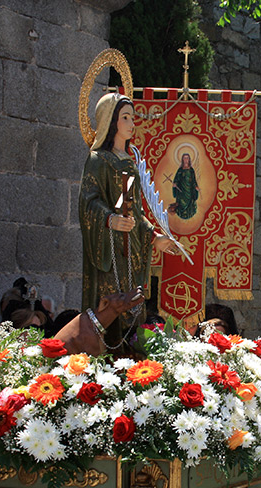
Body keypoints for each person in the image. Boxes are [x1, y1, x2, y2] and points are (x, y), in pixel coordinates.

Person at [79, 93, 178, 350]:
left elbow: (132, 209)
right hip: (108, 253)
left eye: (132, 118)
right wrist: (109, 219)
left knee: (132, 308)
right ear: (110, 121)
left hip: (130, 250)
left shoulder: (129, 164)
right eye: (125, 117)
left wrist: (154, 238)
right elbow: (88, 202)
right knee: (111, 308)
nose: (131, 123)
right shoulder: (97, 160)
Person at [170, 152, 200, 220]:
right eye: (184, 158)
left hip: (189, 191)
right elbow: (176, 180)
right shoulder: (180, 170)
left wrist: (196, 187)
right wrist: (175, 185)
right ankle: (181, 213)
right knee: (181, 203)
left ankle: (189, 213)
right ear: (182, 159)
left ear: (189, 159)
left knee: (190, 203)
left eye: (187, 158)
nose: (186, 159)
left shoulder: (191, 170)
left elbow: (193, 181)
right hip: (181, 192)